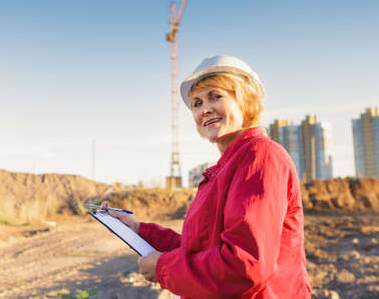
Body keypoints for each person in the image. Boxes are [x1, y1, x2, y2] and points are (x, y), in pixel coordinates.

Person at [101, 55, 311, 298]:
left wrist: (162, 268)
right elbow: (199, 249)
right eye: (197, 103)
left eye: (216, 96)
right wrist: (138, 230)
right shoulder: (228, 166)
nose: (205, 109)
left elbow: (243, 266)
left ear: (246, 99)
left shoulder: (260, 157)